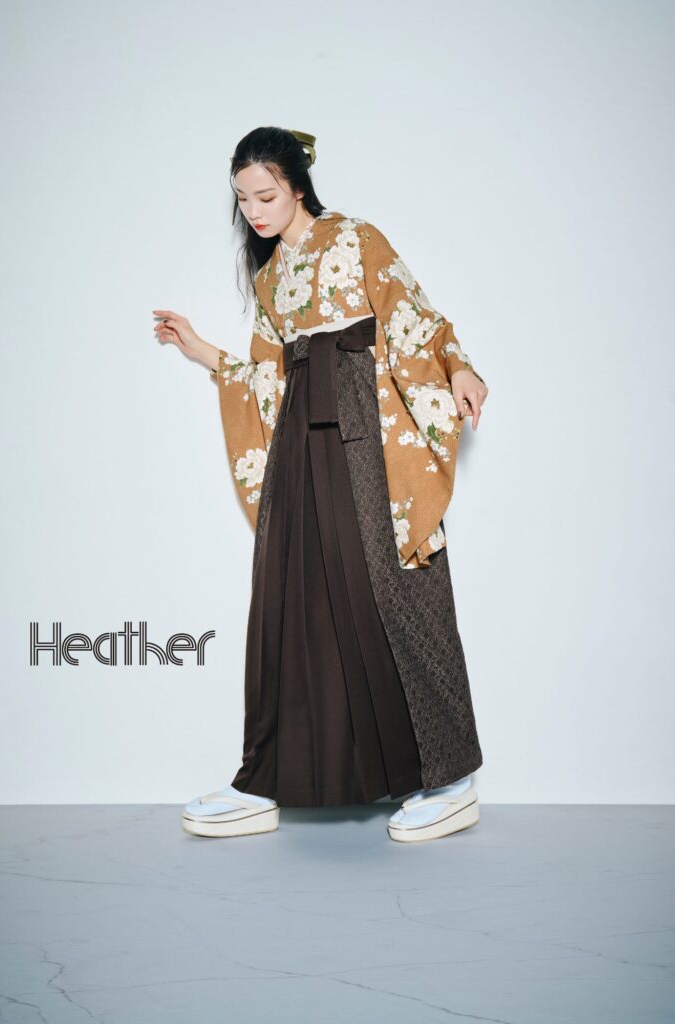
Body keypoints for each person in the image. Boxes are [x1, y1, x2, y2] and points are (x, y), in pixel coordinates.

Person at [154, 126, 488, 844]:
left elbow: (414, 317)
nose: (254, 212)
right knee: (295, 597)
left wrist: (460, 367)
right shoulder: (271, 278)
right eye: (243, 200)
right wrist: (202, 351)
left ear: (298, 187)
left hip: (369, 426)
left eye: (266, 195)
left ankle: (450, 777)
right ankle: (273, 777)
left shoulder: (356, 238)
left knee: (395, 586)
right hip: (300, 438)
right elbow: (267, 374)